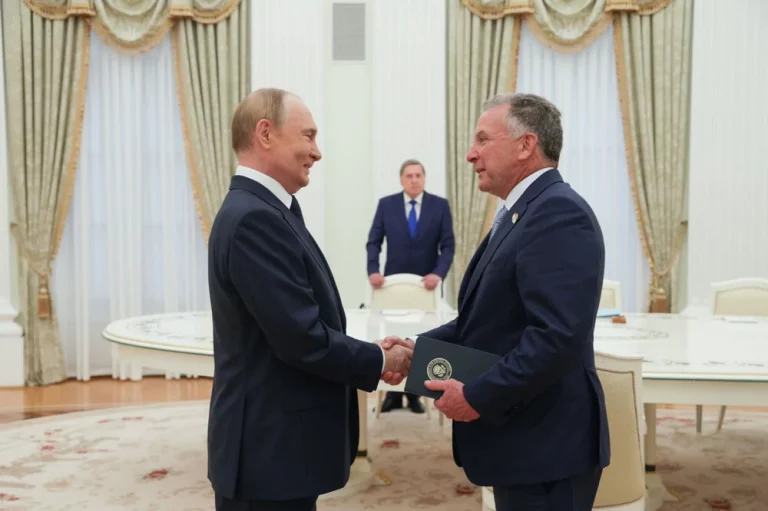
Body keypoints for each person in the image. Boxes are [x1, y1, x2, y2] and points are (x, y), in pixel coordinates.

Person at [398, 93, 610, 511]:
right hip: (527, 442)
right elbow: (484, 321)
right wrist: (415, 350)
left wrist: (478, 395)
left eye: (482, 140)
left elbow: (555, 339)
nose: (470, 154)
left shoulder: (557, 213)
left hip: (548, 448)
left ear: (525, 145)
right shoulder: (523, 213)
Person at [207, 88, 413, 511]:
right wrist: (378, 360)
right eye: (308, 136)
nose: (316, 152)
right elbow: (300, 337)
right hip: (267, 453)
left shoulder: (269, 209)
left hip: (277, 451)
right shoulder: (254, 218)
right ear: (265, 133)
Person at [366, 159, 455, 413]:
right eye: (409, 175)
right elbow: (374, 241)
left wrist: (438, 274)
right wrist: (373, 270)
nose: (414, 179)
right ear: (401, 180)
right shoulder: (387, 205)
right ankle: (392, 396)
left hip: (425, 288)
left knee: (419, 339)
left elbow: (448, 246)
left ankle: (415, 393)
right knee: (394, 338)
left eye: (418, 175)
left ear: (424, 178)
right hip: (392, 287)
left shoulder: (440, 206)